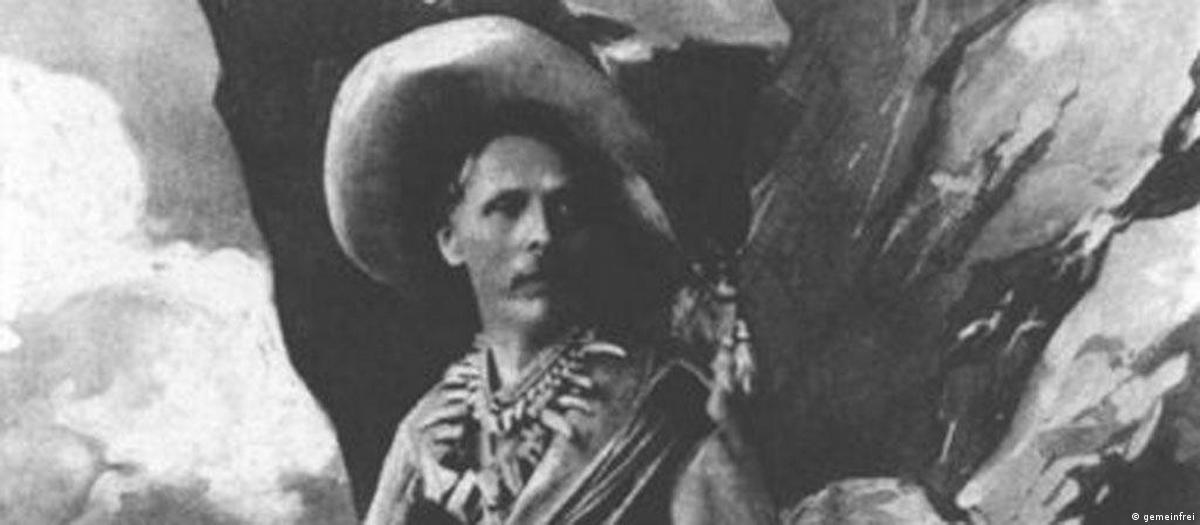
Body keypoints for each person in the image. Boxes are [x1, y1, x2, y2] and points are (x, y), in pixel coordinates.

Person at [324, 16, 774, 524]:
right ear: (450, 240)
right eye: (507, 207)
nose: (541, 233)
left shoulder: (661, 405)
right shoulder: (421, 437)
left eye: (564, 208)